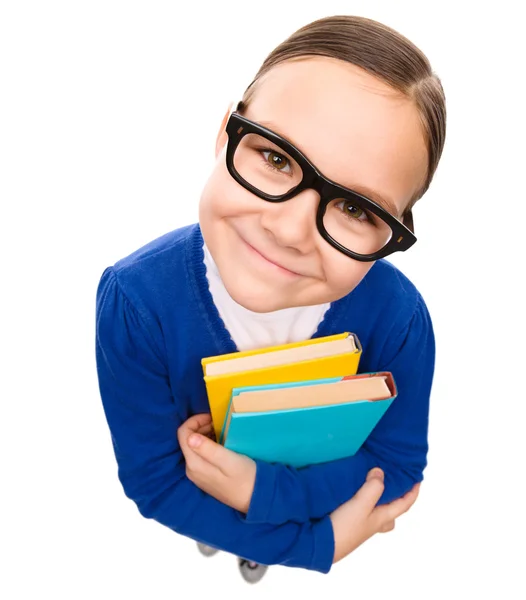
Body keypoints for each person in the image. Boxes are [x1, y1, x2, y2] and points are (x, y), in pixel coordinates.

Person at [95, 14, 446, 575]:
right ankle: (227, 534)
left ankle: (239, 535)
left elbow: (398, 464)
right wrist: (315, 542)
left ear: (391, 235)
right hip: (234, 501)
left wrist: (264, 495)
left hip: (275, 491)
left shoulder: (399, 320)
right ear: (224, 134)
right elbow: (155, 483)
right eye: (277, 158)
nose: (288, 231)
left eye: (357, 208)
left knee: (230, 509)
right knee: (205, 513)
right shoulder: (137, 303)